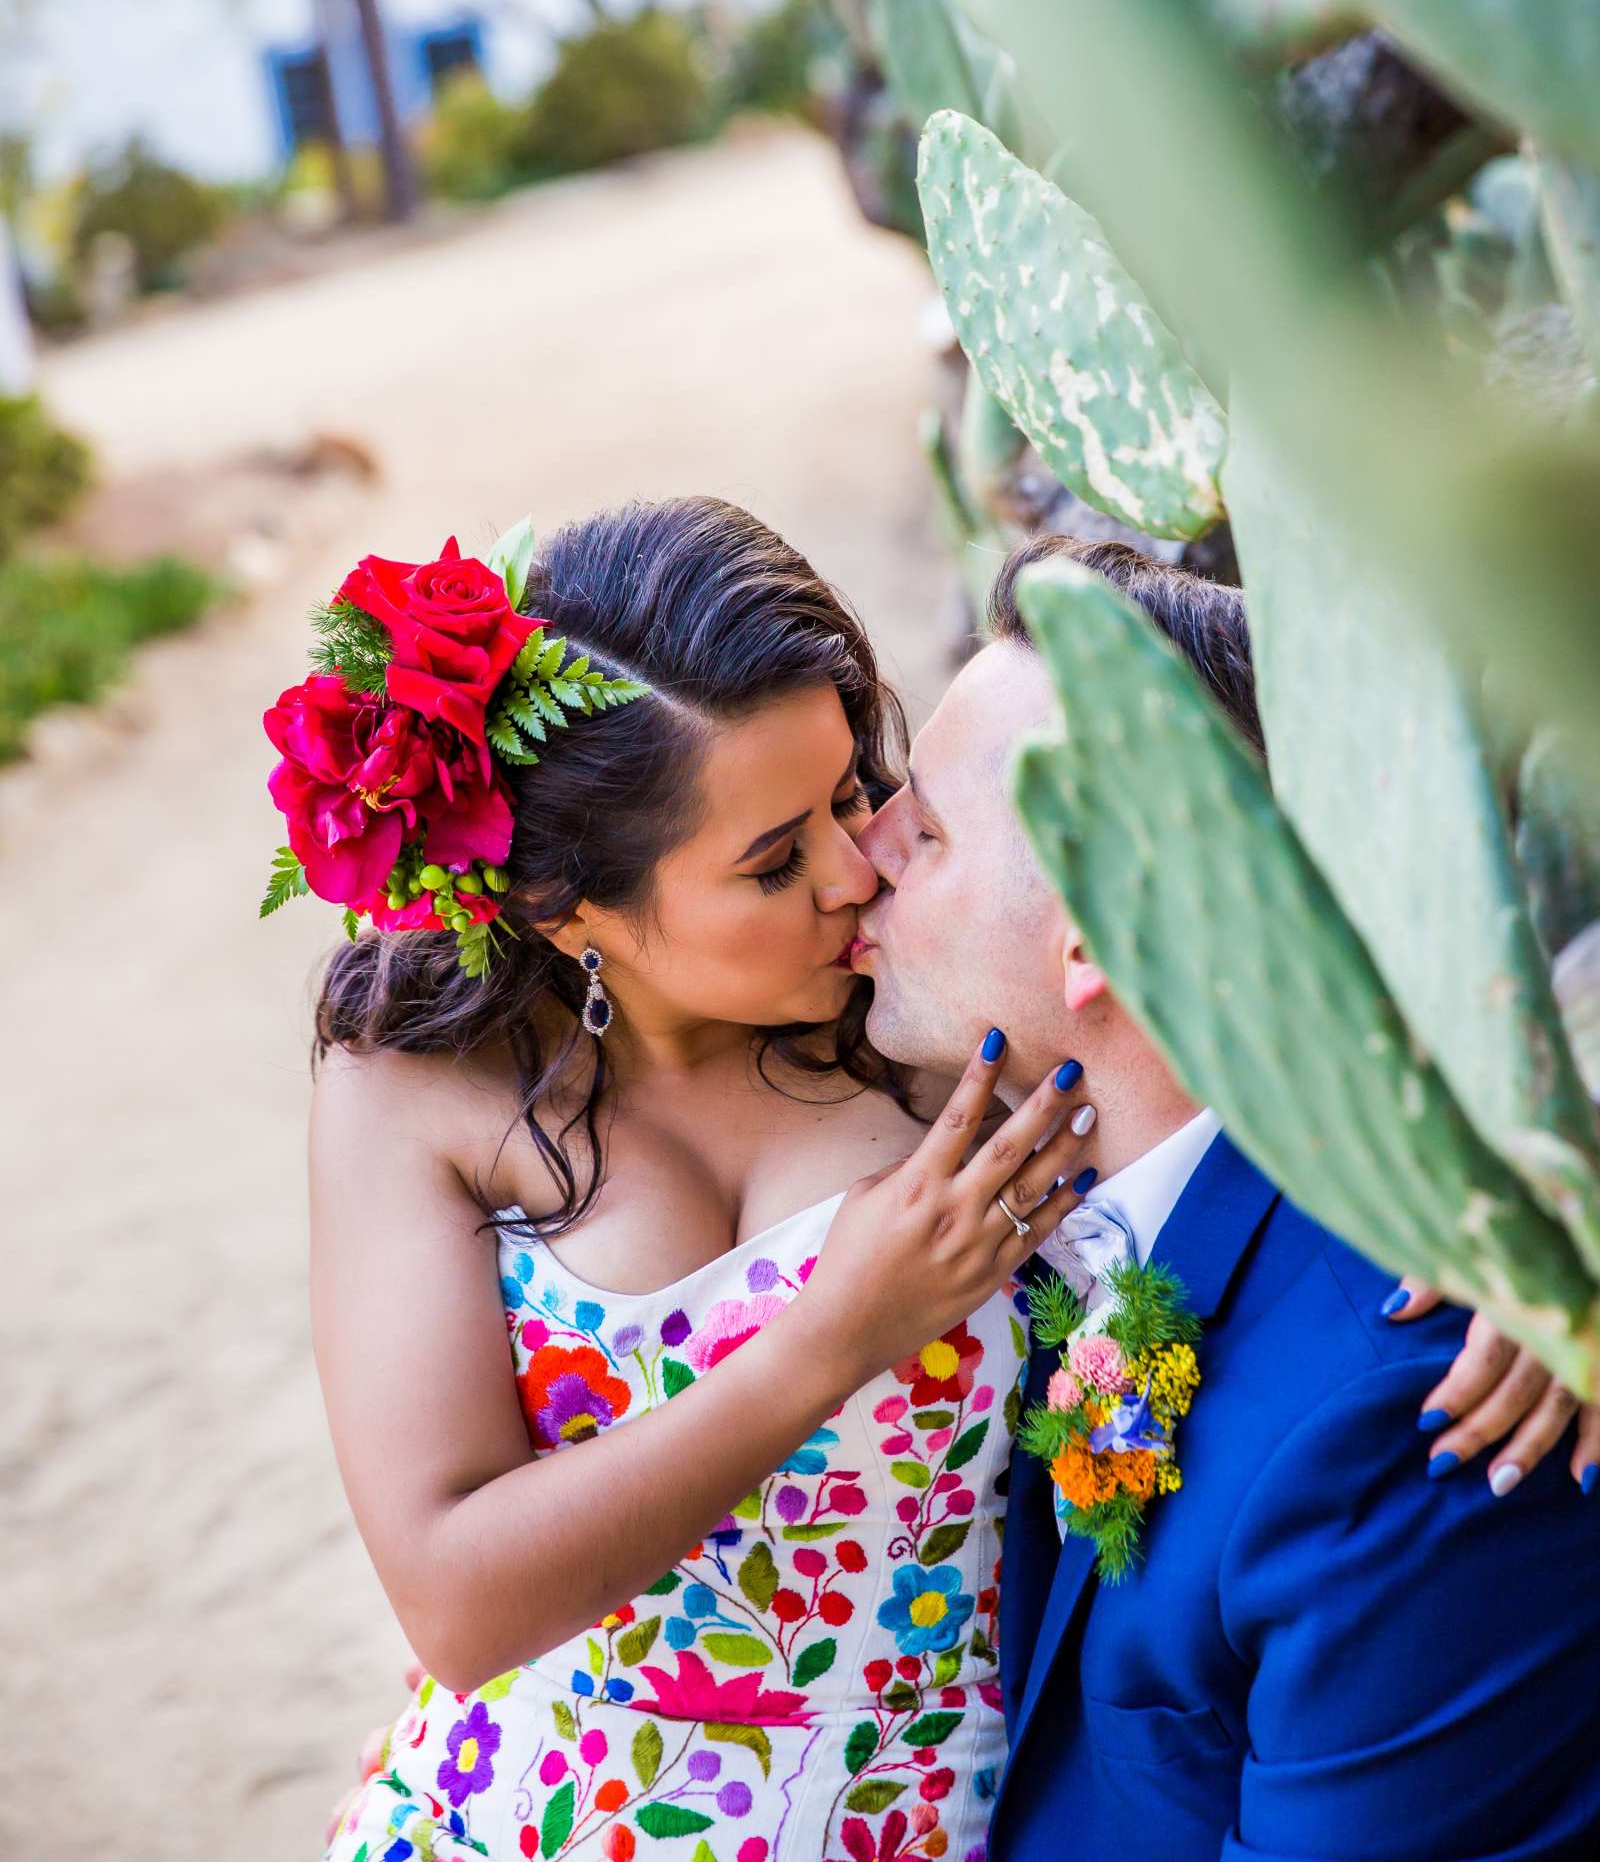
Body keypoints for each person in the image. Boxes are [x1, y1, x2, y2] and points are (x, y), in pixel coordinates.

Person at [288, 499, 1589, 1862]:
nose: (858, 870)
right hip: (525, 1815)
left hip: (907, 1816)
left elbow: (1240, 965)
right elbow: (455, 1597)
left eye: (857, 791)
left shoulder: (923, 1037)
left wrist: (1531, 1213)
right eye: (775, 862)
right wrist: (836, 1334)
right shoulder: (424, 1084)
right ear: (569, 910)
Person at [850, 534, 1600, 1862]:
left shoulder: (1409, 1411)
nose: (863, 858)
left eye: (926, 830)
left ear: (1104, 930)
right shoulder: (1042, 1226)